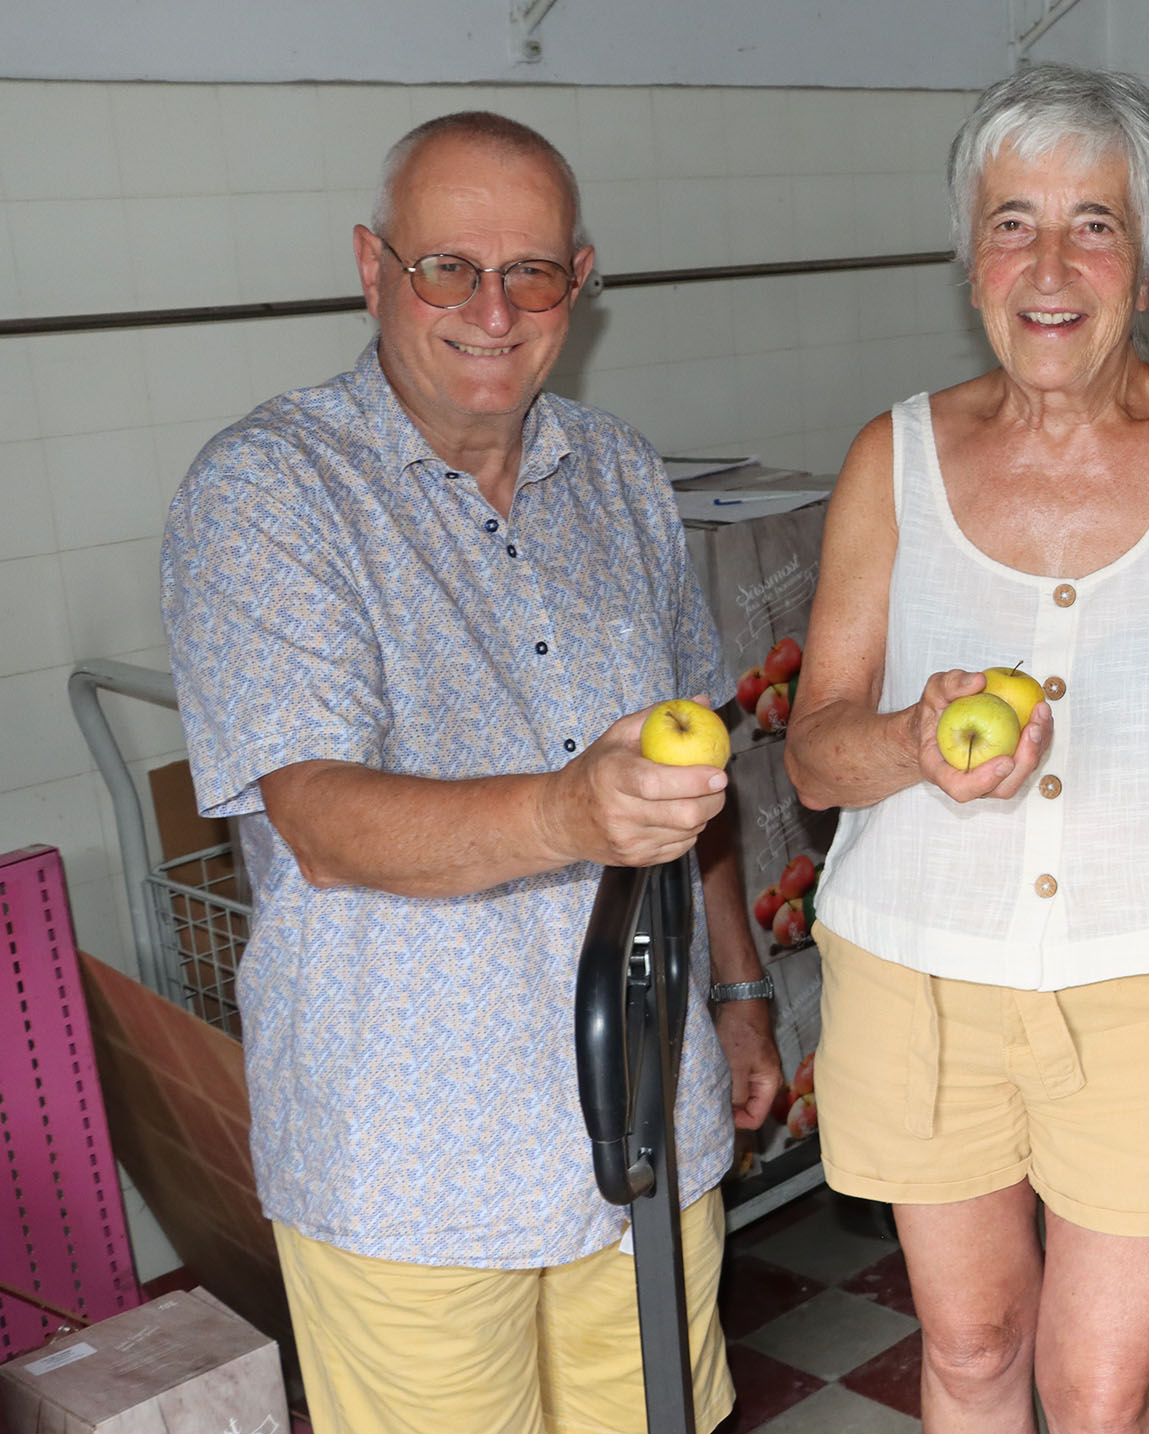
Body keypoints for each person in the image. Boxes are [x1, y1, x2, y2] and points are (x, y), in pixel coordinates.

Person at [160, 111, 779, 1434]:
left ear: (580, 280)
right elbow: (319, 816)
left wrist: (736, 992)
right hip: (412, 1170)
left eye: (533, 271)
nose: (492, 308)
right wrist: (568, 808)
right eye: (448, 266)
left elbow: (699, 765)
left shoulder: (615, 472)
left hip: (640, 1127)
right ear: (372, 267)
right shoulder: (269, 490)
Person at [784, 61, 1149, 1434]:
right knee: (970, 1351)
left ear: (1145, 267)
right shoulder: (888, 461)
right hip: (917, 972)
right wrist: (913, 738)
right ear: (971, 259)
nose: (1048, 261)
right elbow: (810, 758)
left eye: (1093, 222)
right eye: (1012, 221)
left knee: (1100, 1389)